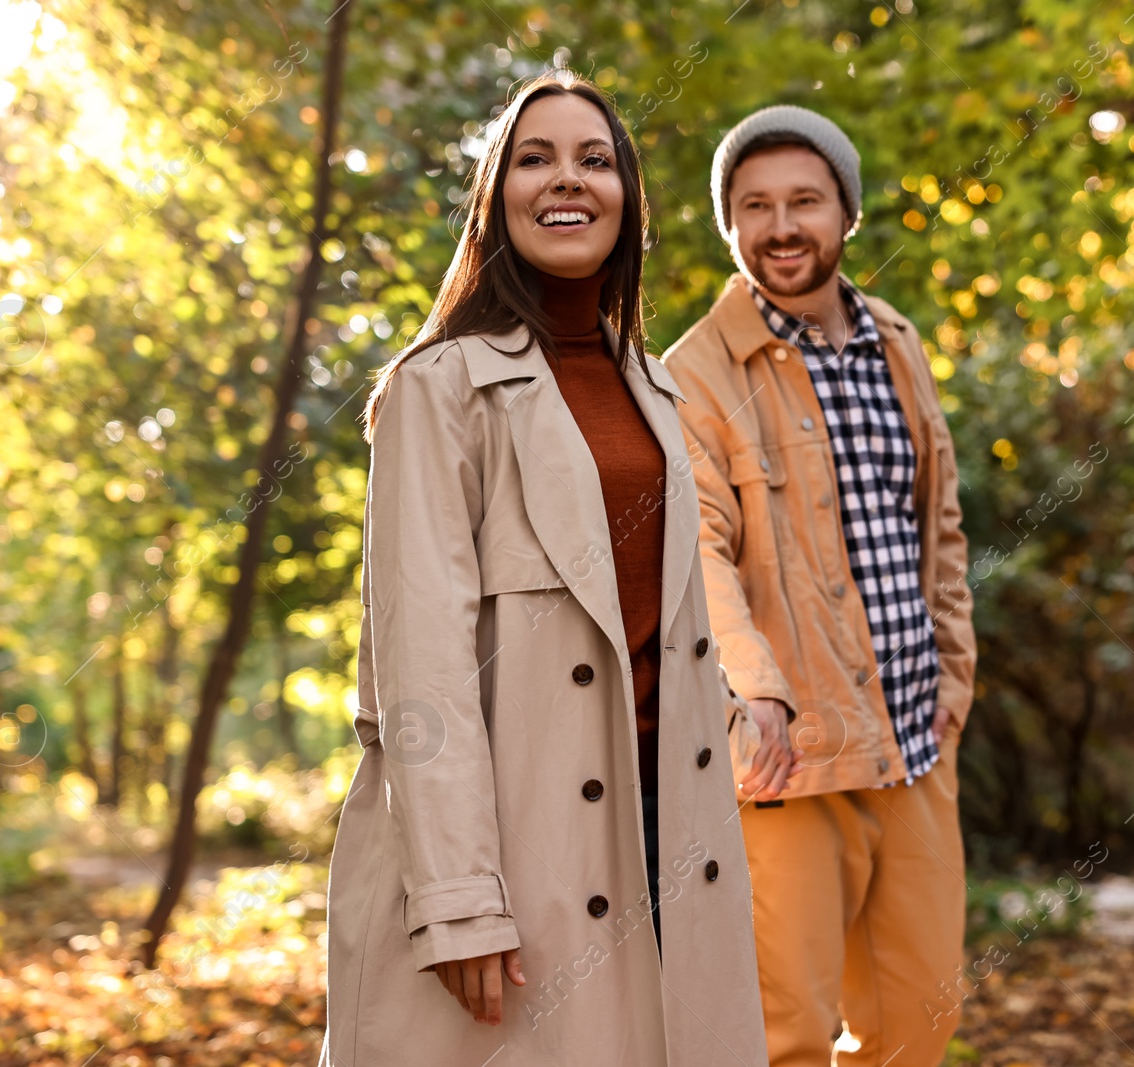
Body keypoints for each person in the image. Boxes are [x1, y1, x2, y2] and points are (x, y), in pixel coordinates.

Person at [318, 71, 770, 1067]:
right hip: (515, 847)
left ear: (627, 197)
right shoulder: (437, 390)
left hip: (668, 834)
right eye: (535, 158)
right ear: (497, 194)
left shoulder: (658, 393)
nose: (567, 180)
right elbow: (420, 662)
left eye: (594, 159)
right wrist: (456, 897)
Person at [663, 105, 977, 1067]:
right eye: (754, 206)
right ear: (729, 226)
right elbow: (698, 551)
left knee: (919, 1026)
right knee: (780, 1036)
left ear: (847, 213)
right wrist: (756, 690)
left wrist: (956, 680)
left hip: (915, 740)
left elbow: (943, 526)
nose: (781, 225)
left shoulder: (897, 340)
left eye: (805, 200)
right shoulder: (694, 373)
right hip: (787, 758)